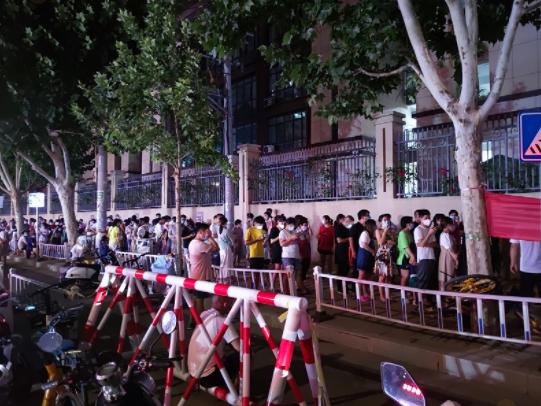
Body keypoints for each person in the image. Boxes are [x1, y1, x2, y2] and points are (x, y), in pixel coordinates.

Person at [187, 295, 239, 388]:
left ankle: (231, 385)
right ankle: (237, 389)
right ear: (225, 304)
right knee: (246, 354)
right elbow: (240, 348)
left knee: (223, 352)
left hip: (194, 373)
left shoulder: (204, 315)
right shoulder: (223, 322)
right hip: (209, 377)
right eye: (232, 303)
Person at [188, 223, 219, 316]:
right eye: (206, 232)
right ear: (200, 232)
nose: (208, 233)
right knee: (200, 301)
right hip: (201, 276)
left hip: (196, 274)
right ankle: (200, 322)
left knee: (196, 299)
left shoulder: (193, 242)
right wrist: (210, 237)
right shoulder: (199, 245)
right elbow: (216, 248)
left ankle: (193, 320)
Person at [279, 217, 307, 295]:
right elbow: (282, 244)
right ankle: (285, 290)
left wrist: (301, 234)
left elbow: (300, 240)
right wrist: (290, 238)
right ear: (287, 224)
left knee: (299, 272)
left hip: (296, 255)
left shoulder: (294, 231)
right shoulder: (282, 232)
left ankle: (300, 287)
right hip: (287, 256)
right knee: (287, 274)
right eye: (291, 225)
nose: (293, 226)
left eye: (294, 225)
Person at [414, 210, 437, 294]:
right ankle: (419, 299)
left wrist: (426, 243)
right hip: (423, 257)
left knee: (430, 280)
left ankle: (427, 298)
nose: (428, 220)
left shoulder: (430, 229)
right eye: (426, 218)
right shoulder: (418, 229)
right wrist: (429, 234)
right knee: (422, 280)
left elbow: (434, 244)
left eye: (429, 218)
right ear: (420, 218)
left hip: (431, 256)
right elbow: (420, 244)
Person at [357, 219, 377, 302]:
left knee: (366, 276)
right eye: (374, 225)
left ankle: (365, 293)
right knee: (361, 276)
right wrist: (372, 251)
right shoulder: (365, 233)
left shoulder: (370, 234)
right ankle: (359, 294)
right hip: (363, 256)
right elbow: (364, 245)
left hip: (368, 256)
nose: (376, 227)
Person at [438, 217, 459, 290]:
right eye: (452, 224)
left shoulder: (450, 235)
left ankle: (450, 294)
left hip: (451, 258)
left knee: (451, 277)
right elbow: (450, 250)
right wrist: (456, 259)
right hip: (447, 258)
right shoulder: (443, 235)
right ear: (447, 225)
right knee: (445, 278)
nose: (454, 226)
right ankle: (443, 294)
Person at [397, 216, 416, 289]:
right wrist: (412, 256)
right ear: (407, 224)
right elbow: (406, 247)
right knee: (405, 277)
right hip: (404, 258)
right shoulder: (402, 233)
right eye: (411, 222)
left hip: (410, 256)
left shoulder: (409, 233)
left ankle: (408, 292)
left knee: (410, 276)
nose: (412, 223)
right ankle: (403, 293)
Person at [217, 217, 234, 282]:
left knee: (222, 263)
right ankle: (226, 276)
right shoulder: (226, 230)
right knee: (227, 263)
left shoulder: (219, 230)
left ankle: (221, 276)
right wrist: (232, 245)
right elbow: (231, 240)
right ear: (225, 223)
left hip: (221, 249)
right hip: (226, 248)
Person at [298, 217, 312, 285]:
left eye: (306, 224)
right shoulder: (297, 231)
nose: (306, 226)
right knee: (302, 267)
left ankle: (303, 279)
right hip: (301, 252)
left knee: (307, 265)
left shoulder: (306, 231)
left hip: (307, 251)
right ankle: (300, 282)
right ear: (300, 225)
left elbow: (309, 239)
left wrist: (308, 229)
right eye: (305, 225)